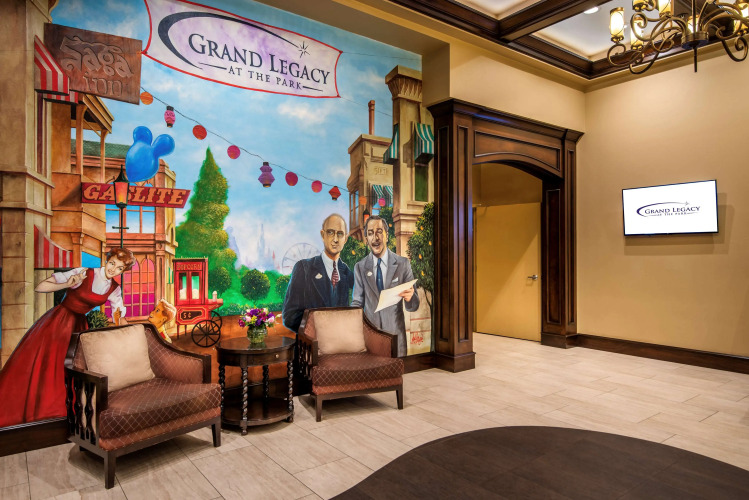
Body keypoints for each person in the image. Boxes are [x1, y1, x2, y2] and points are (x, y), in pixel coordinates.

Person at [0, 247, 135, 427]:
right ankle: (40, 414)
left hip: (79, 329)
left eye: (119, 268)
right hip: (57, 323)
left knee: (72, 369)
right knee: (48, 365)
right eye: (112, 263)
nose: (113, 269)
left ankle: (66, 417)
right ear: (107, 260)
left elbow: (119, 316)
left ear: (123, 271)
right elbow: (40, 287)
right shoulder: (83, 273)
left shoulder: (114, 289)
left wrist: (129, 337)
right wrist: (67, 283)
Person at [352, 216, 419, 357]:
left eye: (379, 232)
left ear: (387, 235)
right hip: (370, 339)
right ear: (366, 239)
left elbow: (414, 305)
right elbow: (357, 303)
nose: (375, 238)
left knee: (397, 371)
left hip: (396, 339)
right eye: (370, 233)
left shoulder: (403, 264)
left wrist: (410, 298)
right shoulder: (360, 267)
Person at [282, 214, 354, 333]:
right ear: (322, 235)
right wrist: (322, 330)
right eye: (330, 232)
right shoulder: (303, 268)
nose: (335, 239)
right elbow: (290, 317)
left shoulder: (346, 272)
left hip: (340, 341)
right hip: (312, 342)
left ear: (345, 239)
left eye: (340, 234)